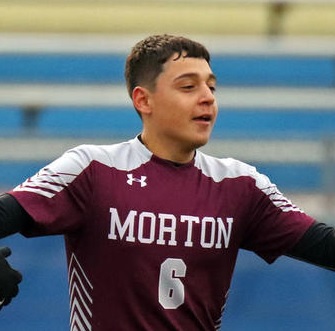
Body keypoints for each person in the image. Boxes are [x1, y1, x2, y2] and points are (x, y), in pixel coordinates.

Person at [0, 34, 334, 329]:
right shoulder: (93, 169)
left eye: (211, 86)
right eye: (188, 86)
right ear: (143, 100)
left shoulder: (241, 185)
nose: (207, 98)